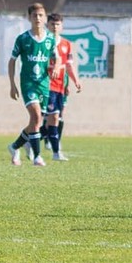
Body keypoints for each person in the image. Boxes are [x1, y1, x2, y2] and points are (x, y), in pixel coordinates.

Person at [7, 3, 59, 166]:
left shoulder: (50, 39)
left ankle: (15, 146)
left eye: (40, 15)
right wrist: (12, 84)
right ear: (29, 18)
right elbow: (12, 61)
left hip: (44, 84)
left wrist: (56, 66)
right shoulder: (23, 39)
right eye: (34, 15)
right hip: (28, 83)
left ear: (45, 18)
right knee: (36, 116)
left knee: (35, 123)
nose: (37, 18)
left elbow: (55, 57)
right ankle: (37, 156)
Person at [39, 13, 82, 161]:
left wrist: (74, 81)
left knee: (55, 118)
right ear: (47, 25)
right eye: (52, 24)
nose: (55, 27)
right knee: (49, 118)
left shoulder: (66, 44)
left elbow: (68, 66)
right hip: (46, 85)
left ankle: (31, 140)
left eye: (57, 24)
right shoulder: (43, 42)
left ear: (62, 26)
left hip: (60, 86)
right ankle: (54, 150)